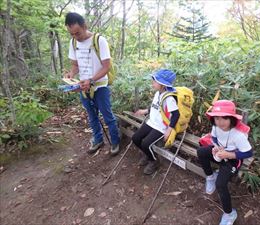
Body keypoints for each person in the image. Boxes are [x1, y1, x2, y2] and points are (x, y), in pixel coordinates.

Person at [64, 12, 120, 155]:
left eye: (77, 33)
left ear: (85, 26)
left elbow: (106, 66)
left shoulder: (99, 40)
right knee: (92, 115)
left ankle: (115, 142)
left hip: (100, 86)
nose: (75, 36)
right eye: (72, 34)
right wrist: (71, 75)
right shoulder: (73, 42)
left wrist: (91, 80)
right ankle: (98, 139)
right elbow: (75, 65)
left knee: (107, 116)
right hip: (83, 86)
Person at [197, 100, 253, 225]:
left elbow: (248, 153)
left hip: (233, 160)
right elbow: (215, 138)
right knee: (201, 151)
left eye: (224, 118)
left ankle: (229, 214)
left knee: (221, 184)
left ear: (231, 119)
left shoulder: (238, 135)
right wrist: (216, 147)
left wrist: (229, 154)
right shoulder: (216, 127)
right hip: (220, 152)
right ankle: (210, 177)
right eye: (216, 118)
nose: (220, 122)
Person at [132, 69, 180, 175]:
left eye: (155, 81)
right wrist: (144, 111)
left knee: (145, 144)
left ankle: (154, 161)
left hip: (161, 127)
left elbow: (176, 114)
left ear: (163, 84)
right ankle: (148, 154)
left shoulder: (169, 98)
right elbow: (155, 107)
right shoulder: (158, 93)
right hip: (151, 122)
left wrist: (169, 130)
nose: (152, 83)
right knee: (135, 138)